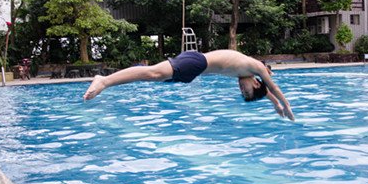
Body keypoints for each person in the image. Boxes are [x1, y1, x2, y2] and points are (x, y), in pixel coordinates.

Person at [83, 50, 295, 120]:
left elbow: (265, 92)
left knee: (154, 76)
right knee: (153, 73)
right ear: (257, 83)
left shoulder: (247, 75)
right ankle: (105, 81)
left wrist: (273, 103)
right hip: (198, 62)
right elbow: (272, 88)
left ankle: (106, 81)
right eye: (245, 90)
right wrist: (284, 106)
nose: (241, 88)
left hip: (194, 71)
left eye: (242, 92)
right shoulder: (256, 67)